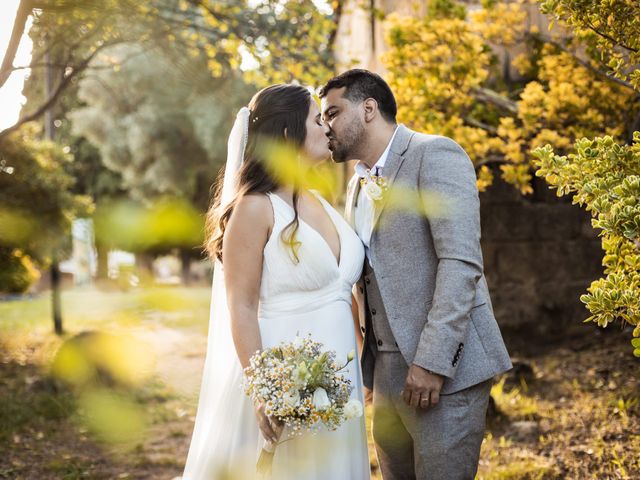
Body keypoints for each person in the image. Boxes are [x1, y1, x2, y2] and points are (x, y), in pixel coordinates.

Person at [320, 69, 512, 480]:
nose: (326, 127)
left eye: (333, 113)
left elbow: (461, 264)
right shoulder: (355, 187)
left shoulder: (436, 155)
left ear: (368, 109)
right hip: (385, 378)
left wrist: (432, 363)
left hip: (445, 373)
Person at [181, 84, 370, 479]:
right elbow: (242, 306)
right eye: (318, 120)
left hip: (339, 382)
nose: (327, 128)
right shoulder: (254, 208)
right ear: (288, 135)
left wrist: (362, 361)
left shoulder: (318, 202)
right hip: (286, 377)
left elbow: (342, 293)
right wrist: (264, 390)